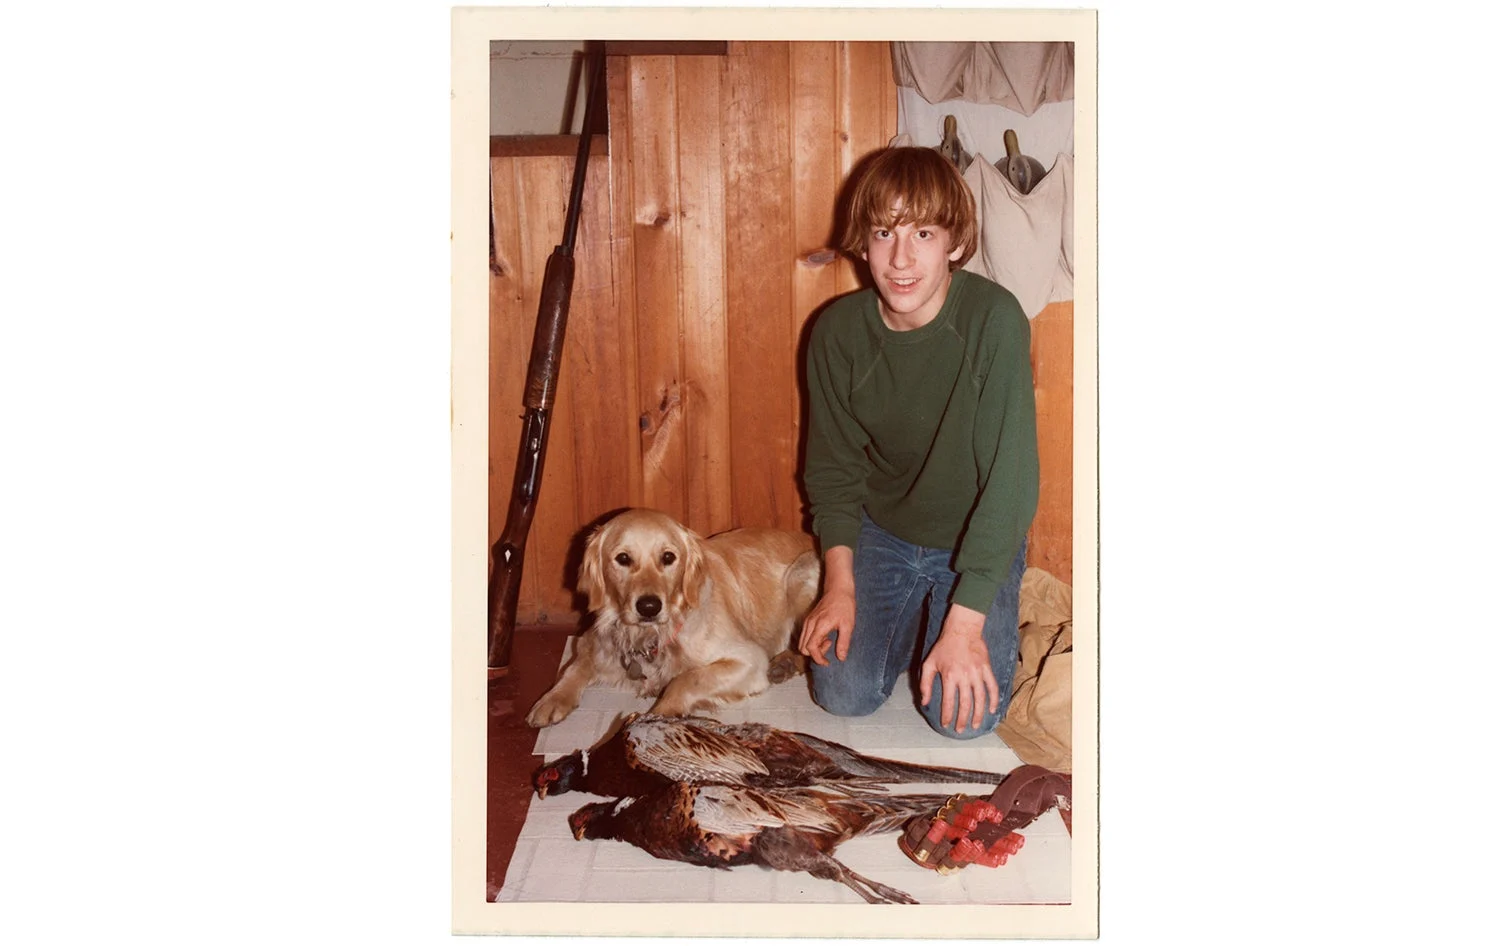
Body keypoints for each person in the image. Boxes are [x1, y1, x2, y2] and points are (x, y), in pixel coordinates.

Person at [798, 146, 1039, 739]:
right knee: (843, 695)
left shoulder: (995, 321)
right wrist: (839, 585)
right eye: (884, 233)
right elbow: (832, 472)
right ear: (863, 242)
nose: (900, 259)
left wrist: (966, 620)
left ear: (955, 244)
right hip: (885, 534)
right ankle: (914, 623)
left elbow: (1010, 485)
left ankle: (958, 620)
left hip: (974, 538)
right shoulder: (836, 333)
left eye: (924, 233)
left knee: (964, 721)